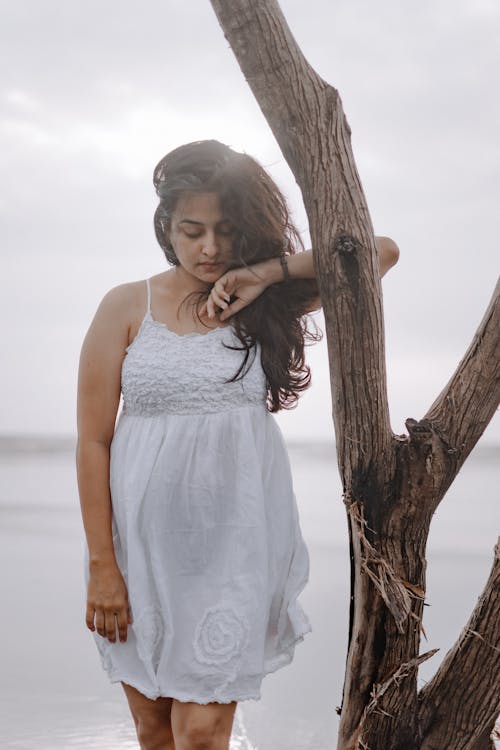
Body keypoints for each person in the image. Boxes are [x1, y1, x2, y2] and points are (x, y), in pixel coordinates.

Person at [76, 139, 399, 750]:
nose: (210, 248)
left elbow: (381, 252)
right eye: (191, 230)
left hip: (233, 550)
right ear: (165, 226)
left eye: (226, 231)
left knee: (199, 733)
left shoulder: (263, 301)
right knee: (153, 729)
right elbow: (94, 440)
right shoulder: (126, 306)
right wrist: (103, 568)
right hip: (137, 551)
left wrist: (266, 272)